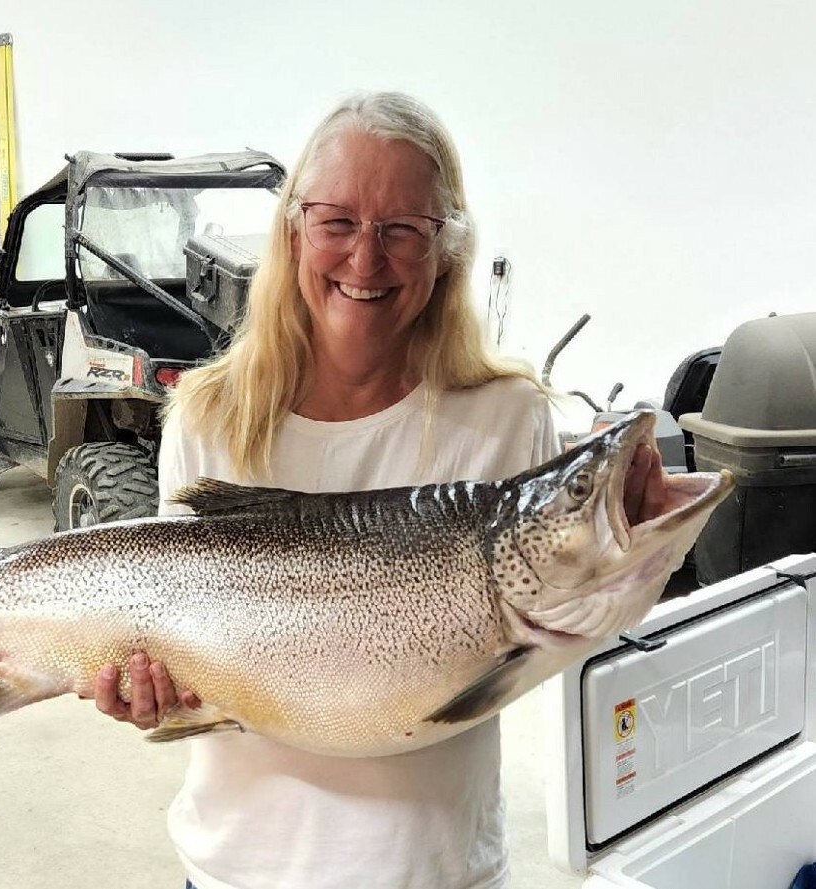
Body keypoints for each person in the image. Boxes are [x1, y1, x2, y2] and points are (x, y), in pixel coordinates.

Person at [92, 91, 669, 889]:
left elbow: (553, 628)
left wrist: (636, 544)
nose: (366, 260)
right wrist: (146, 686)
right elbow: (167, 630)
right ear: (294, 231)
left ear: (446, 253)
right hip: (238, 873)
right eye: (337, 221)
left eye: (402, 229)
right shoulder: (209, 414)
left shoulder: (506, 417)